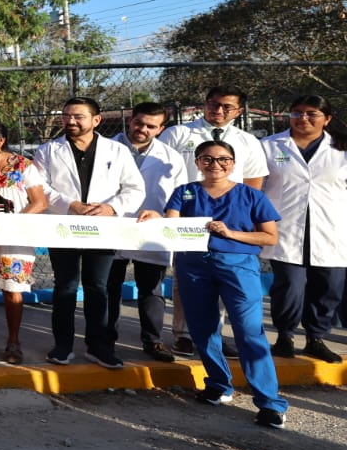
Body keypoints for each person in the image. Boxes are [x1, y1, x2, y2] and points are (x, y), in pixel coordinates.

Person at [140, 141, 288, 427]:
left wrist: (231, 234)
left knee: (249, 331)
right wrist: (157, 217)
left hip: (238, 266)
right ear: (197, 162)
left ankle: (270, 402)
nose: (215, 165)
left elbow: (269, 236)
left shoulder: (250, 195)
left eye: (223, 159)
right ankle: (219, 385)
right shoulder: (185, 192)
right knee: (203, 329)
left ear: (233, 164)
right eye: (207, 159)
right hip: (194, 265)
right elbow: (172, 222)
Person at [33, 97, 146, 370]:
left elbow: (135, 189)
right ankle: (62, 346)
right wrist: (69, 204)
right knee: (65, 286)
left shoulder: (117, 151)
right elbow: (39, 187)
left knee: (98, 287)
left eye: (78, 116)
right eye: (66, 116)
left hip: (101, 228)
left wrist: (111, 207)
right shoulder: (48, 150)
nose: (70, 121)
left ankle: (99, 347)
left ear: (96, 120)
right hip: (63, 226)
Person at [159, 85, 268, 356]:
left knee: (223, 280)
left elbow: (253, 182)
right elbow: (158, 171)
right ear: (205, 104)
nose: (218, 110)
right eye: (213, 104)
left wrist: (245, 216)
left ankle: (213, 336)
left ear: (238, 111)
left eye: (227, 106)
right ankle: (183, 334)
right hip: (186, 211)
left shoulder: (248, 141)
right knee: (186, 279)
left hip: (229, 217)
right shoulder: (178, 133)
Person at [262, 96, 347, 364]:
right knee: (289, 287)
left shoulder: (342, 148)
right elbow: (256, 187)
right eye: (297, 113)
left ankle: (315, 338)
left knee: (329, 287)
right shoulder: (268, 146)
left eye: (312, 114)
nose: (303, 119)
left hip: (332, 229)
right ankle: (284, 336)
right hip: (284, 228)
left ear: (327, 119)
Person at [106, 103, 187, 363]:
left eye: (151, 126)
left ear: (161, 129)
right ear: (130, 120)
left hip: (151, 230)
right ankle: (105, 340)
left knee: (151, 290)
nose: (143, 129)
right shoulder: (106, 149)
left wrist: (164, 217)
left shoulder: (171, 158)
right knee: (109, 288)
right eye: (139, 123)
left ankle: (153, 341)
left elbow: (180, 195)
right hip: (112, 227)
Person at [0, 120, 49, 363]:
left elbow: (40, 202)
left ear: (0, 141)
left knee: (13, 289)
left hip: (15, 236)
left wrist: (14, 224)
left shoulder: (22, 165)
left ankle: (13, 341)